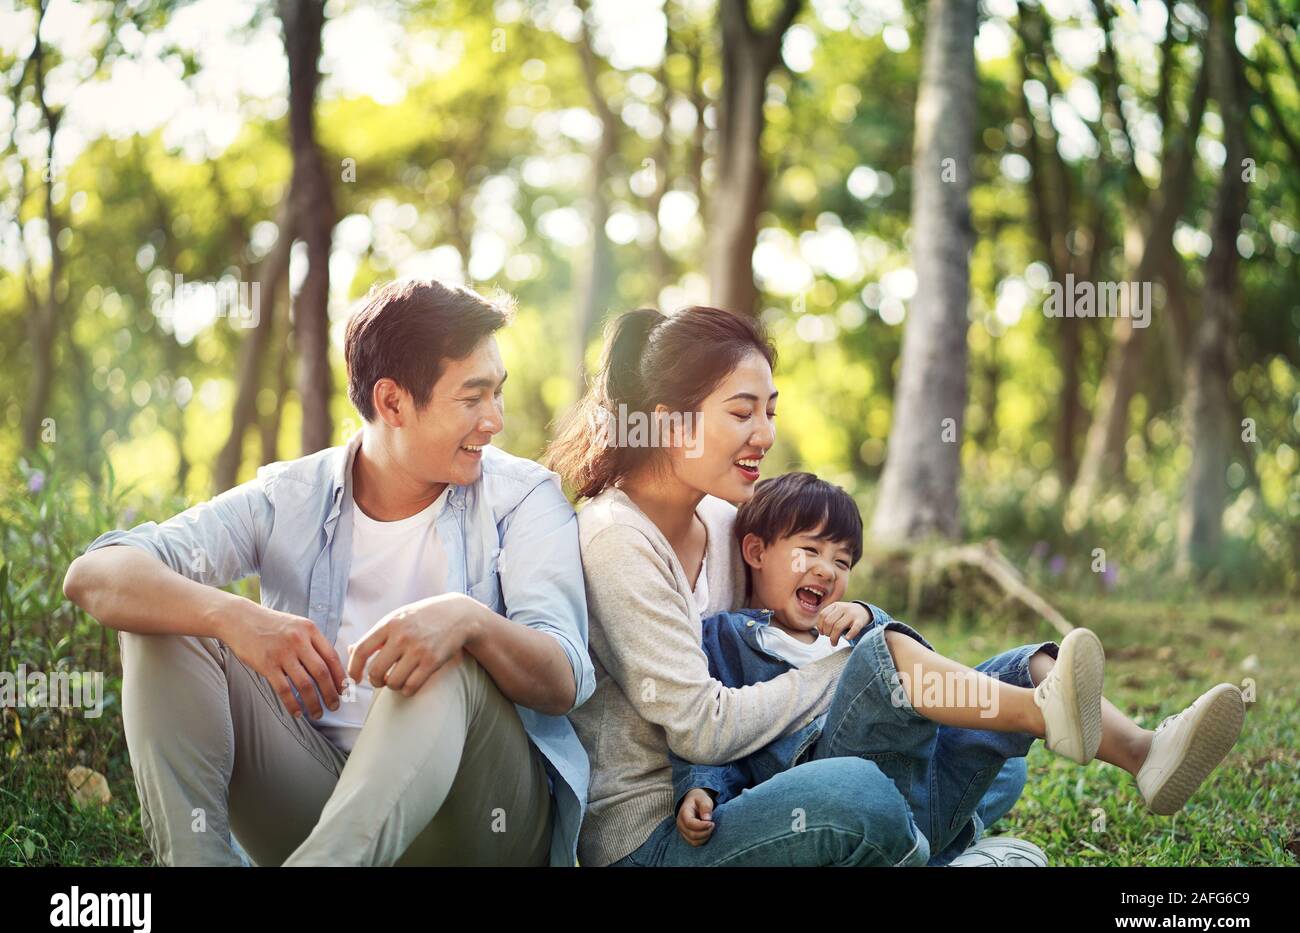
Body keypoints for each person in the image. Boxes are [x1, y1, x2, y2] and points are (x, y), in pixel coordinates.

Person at [63, 278, 595, 866]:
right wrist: (234, 616)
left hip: (476, 823)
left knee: (444, 654)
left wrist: (467, 622)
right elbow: (95, 574)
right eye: (472, 399)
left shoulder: (523, 500)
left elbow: (563, 677)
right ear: (392, 402)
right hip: (320, 802)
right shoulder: (290, 497)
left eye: (497, 393)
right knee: (165, 620)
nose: (494, 419)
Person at [545, 306, 1036, 866]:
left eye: (770, 413)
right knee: (860, 794)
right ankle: (937, 850)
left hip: (765, 778)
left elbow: (788, 638)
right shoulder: (615, 539)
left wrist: (862, 650)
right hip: (666, 835)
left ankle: (918, 844)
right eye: (743, 413)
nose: (766, 435)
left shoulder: (729, 521)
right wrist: (859, 672)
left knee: (986, 751)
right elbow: (704, 728)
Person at [671, 472, 1247, 850]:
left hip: (912, 791)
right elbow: (718, 730)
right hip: (840, 791)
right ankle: (1040, 728)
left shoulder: (852, 625)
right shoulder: (727, 638)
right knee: (887, 657)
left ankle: (1145, 752)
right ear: (755, 551)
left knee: (1027, 665)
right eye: (810, 551)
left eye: (842, 560)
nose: (827, 570)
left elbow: (913, 661)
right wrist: (705, 788)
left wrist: (869, 616)